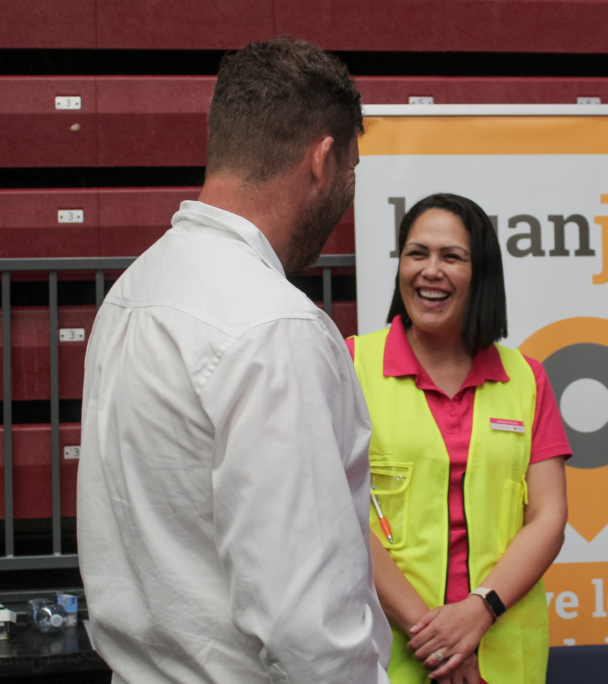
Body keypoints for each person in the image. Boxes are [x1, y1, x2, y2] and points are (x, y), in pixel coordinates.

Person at [77, 37, 392, 684]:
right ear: (322, 160)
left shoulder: (132, 294)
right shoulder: (276, 327)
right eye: (352, 174)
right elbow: (309, 629)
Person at [346, 193, 571, 684]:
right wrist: (438, 640)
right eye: (416, 253)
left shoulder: (527, 380)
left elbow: (549, 519)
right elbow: (339, 515)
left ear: (481, 273)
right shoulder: (351, 366)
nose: (430, 270)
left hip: (504, 655)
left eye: (452, 257)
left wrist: (478, 611)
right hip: (391, 655)